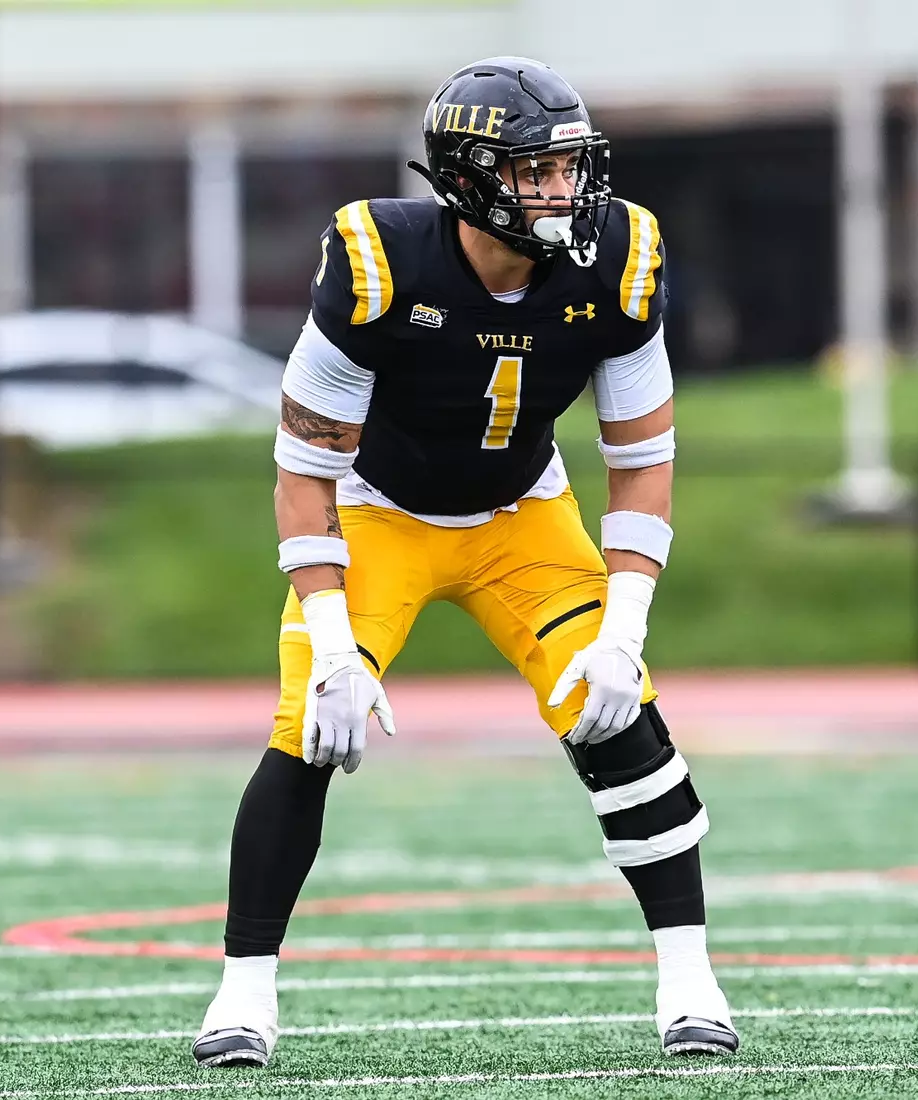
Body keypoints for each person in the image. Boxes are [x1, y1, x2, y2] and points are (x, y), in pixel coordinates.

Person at [193, 55, 737, 1069]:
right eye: (535, 171)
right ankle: (243, 992)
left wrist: (624, 634)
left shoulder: (615, 258)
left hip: (522, 516)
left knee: (618, 712)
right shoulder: (377, 259)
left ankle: (689, 978)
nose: (563, 190)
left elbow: (642, 463)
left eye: (569, 166)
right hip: (372, 513)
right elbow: (303, 471)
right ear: (470, 177)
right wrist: (331, 645)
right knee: (307, 725)